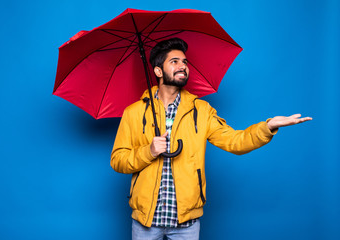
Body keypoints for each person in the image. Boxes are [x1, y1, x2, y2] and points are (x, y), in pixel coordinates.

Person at [110, 38, 312, 240]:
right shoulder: (134, 113)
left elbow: (236, 141)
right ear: (158, 71)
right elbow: (118, 160)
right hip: (145, 220)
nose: (183, 66)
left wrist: (268, 126)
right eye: (174, 62)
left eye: (185, 62)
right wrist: (149, 151)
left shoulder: (202, 111)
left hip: (186, 222)